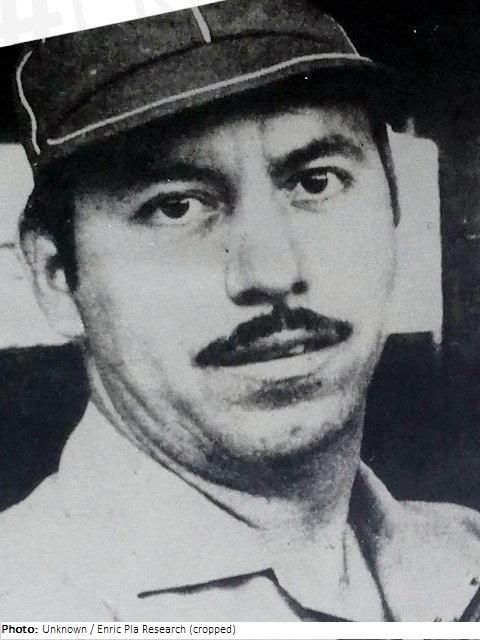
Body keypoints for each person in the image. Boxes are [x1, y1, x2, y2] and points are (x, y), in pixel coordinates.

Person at [1, 0, 480, 622]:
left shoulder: (463, 552)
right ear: (57, 278)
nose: (271, 272)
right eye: (175, 206)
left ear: (393, 205)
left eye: (316, 181)